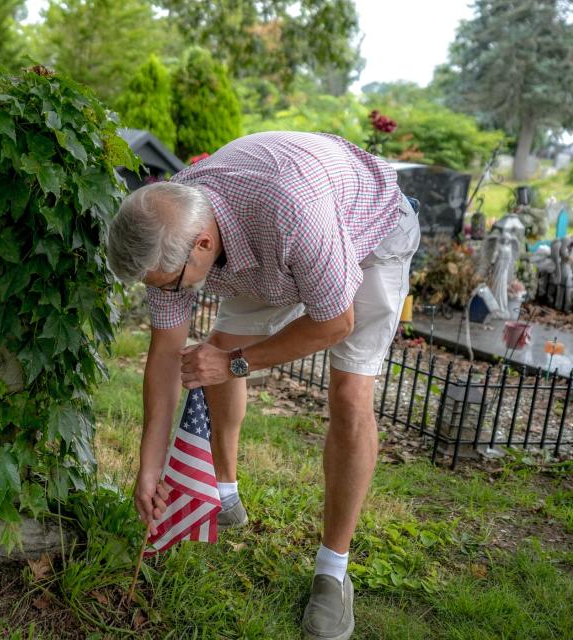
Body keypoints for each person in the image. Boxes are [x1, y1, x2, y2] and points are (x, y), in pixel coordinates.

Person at [106, 131, 420, 640]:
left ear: (203, 245)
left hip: (368, 231)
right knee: (218, 345)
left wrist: (235, 364)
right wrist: (149, 468)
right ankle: (225, 494)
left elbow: (333, 323)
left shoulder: (292, 214)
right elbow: (166, 356)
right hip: (266, 244)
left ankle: (332, 571)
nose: (170, 296)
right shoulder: (178, 222)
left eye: (172, 285)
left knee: (348, 393)